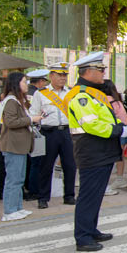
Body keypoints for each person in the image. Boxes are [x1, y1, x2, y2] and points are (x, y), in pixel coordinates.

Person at [64, 53, 122, 252]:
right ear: (88, 72)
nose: (104, 73)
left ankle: (91, 229)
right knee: (89, 195)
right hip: (91, 150)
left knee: (96, 194)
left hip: (101, 150)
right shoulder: (81, 96)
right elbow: (91, 124)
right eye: (101, 69)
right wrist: (117, 130)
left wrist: (119, 127)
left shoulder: (92, 94)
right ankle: (83, 237)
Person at [28, 65, 76, 207]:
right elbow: (33, 113)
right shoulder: (41, 93)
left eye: (64, 75)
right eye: (59, 75)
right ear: (51, 76)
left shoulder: (70, 93)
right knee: (45, 166)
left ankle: (69, 195)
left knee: (70, 165)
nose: (63, 78)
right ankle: (43, 198)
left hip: (66, 131)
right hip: (49, 132)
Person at [0, 71, 35, 223]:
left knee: (19, 178)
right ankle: (9, 210)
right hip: (13, 145)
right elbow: (11, 122)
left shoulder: (18, 100)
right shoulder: (11, 101)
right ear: (16, 83)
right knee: (13, 179)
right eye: (24, 82)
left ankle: (17, 207)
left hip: (20, 146)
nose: (26, 84)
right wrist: (31, 119)